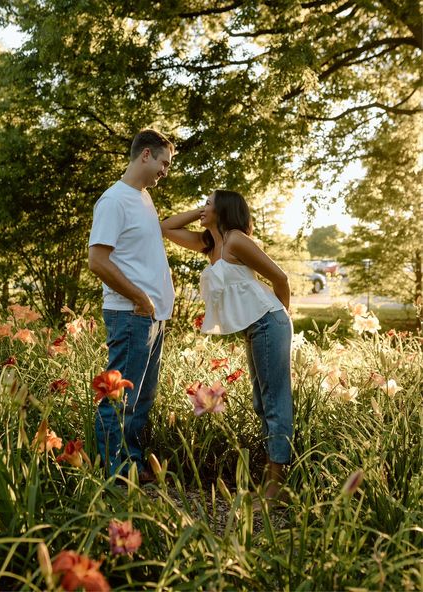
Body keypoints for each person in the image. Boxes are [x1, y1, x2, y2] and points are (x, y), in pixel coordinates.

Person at [160, 190, 293, 501]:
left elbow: (280, 277)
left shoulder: (235, 240)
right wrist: (201, 212)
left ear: (224, 209)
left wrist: (282, 314)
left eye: (208, 202)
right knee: (262, 402)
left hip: (268, 321)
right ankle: (274, 481)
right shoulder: (210, 244)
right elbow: (165, 227)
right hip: (255, 327)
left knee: (274, 402)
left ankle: (276, 488)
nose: (202, 207)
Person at [88, 128, 175, 482]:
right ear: (145, 155)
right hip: (130, 315)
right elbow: (97, 260)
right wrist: (140, 297)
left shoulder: (143, 198)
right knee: (117, 398)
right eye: (164, 163)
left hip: (151, 318)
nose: (165, 171)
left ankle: (133, 466)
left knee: (140, 400)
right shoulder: (114, 200)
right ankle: (114, 474)